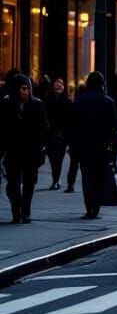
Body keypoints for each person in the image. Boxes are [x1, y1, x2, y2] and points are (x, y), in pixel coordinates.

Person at [0, 73, 48, 223]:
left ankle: (25, 212)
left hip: (31, 151)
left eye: (27, 89)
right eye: (22, 88)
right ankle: (16, 210)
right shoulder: (7, 104)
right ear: (15, 90)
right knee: (13, 184)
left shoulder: (37, 104)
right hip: (13, 151)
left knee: (29, 184)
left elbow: (44, 127)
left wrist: (41, 146)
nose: (25, 92)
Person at [72, 72, 117, 219]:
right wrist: (114, 148)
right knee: (99, 177)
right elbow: (114, 127)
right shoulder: (108, 102)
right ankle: (96, 207)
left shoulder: (80, 101)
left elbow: (73, 125)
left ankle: (89, 207)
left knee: (87, 177)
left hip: (84, 146)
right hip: (102, 147)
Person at [44, 77, 73, 189]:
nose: (58, 86)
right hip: (50, 134)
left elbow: (70, 120)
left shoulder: (67, 101)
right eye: (56, 83)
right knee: (52, 158)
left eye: (61, 84)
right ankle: (55, 179)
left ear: (63, 87)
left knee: (59, 159)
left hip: (62, 134)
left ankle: (56, 180)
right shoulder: (47, 100)